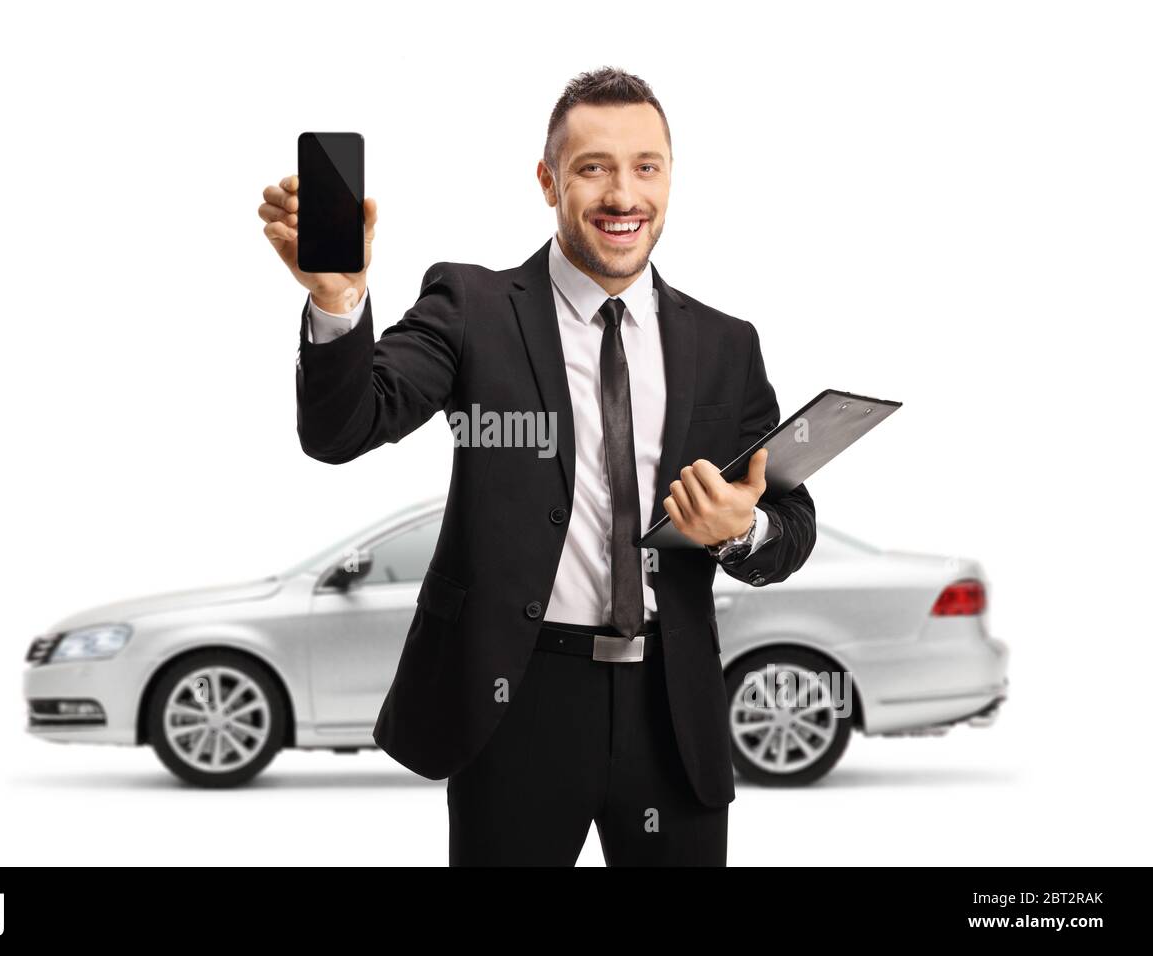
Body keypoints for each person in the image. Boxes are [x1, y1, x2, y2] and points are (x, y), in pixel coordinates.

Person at [260, 67, 816, 865]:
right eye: (594, 167)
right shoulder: (474, 307)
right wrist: (338, 301)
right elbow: (346, 426)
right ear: (548, 180)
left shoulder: (728, 344)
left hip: (672, 708)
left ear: (670, 177)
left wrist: (743, 529)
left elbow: (791, 528)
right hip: (516, 700)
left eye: (645, 166)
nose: (624, 194)